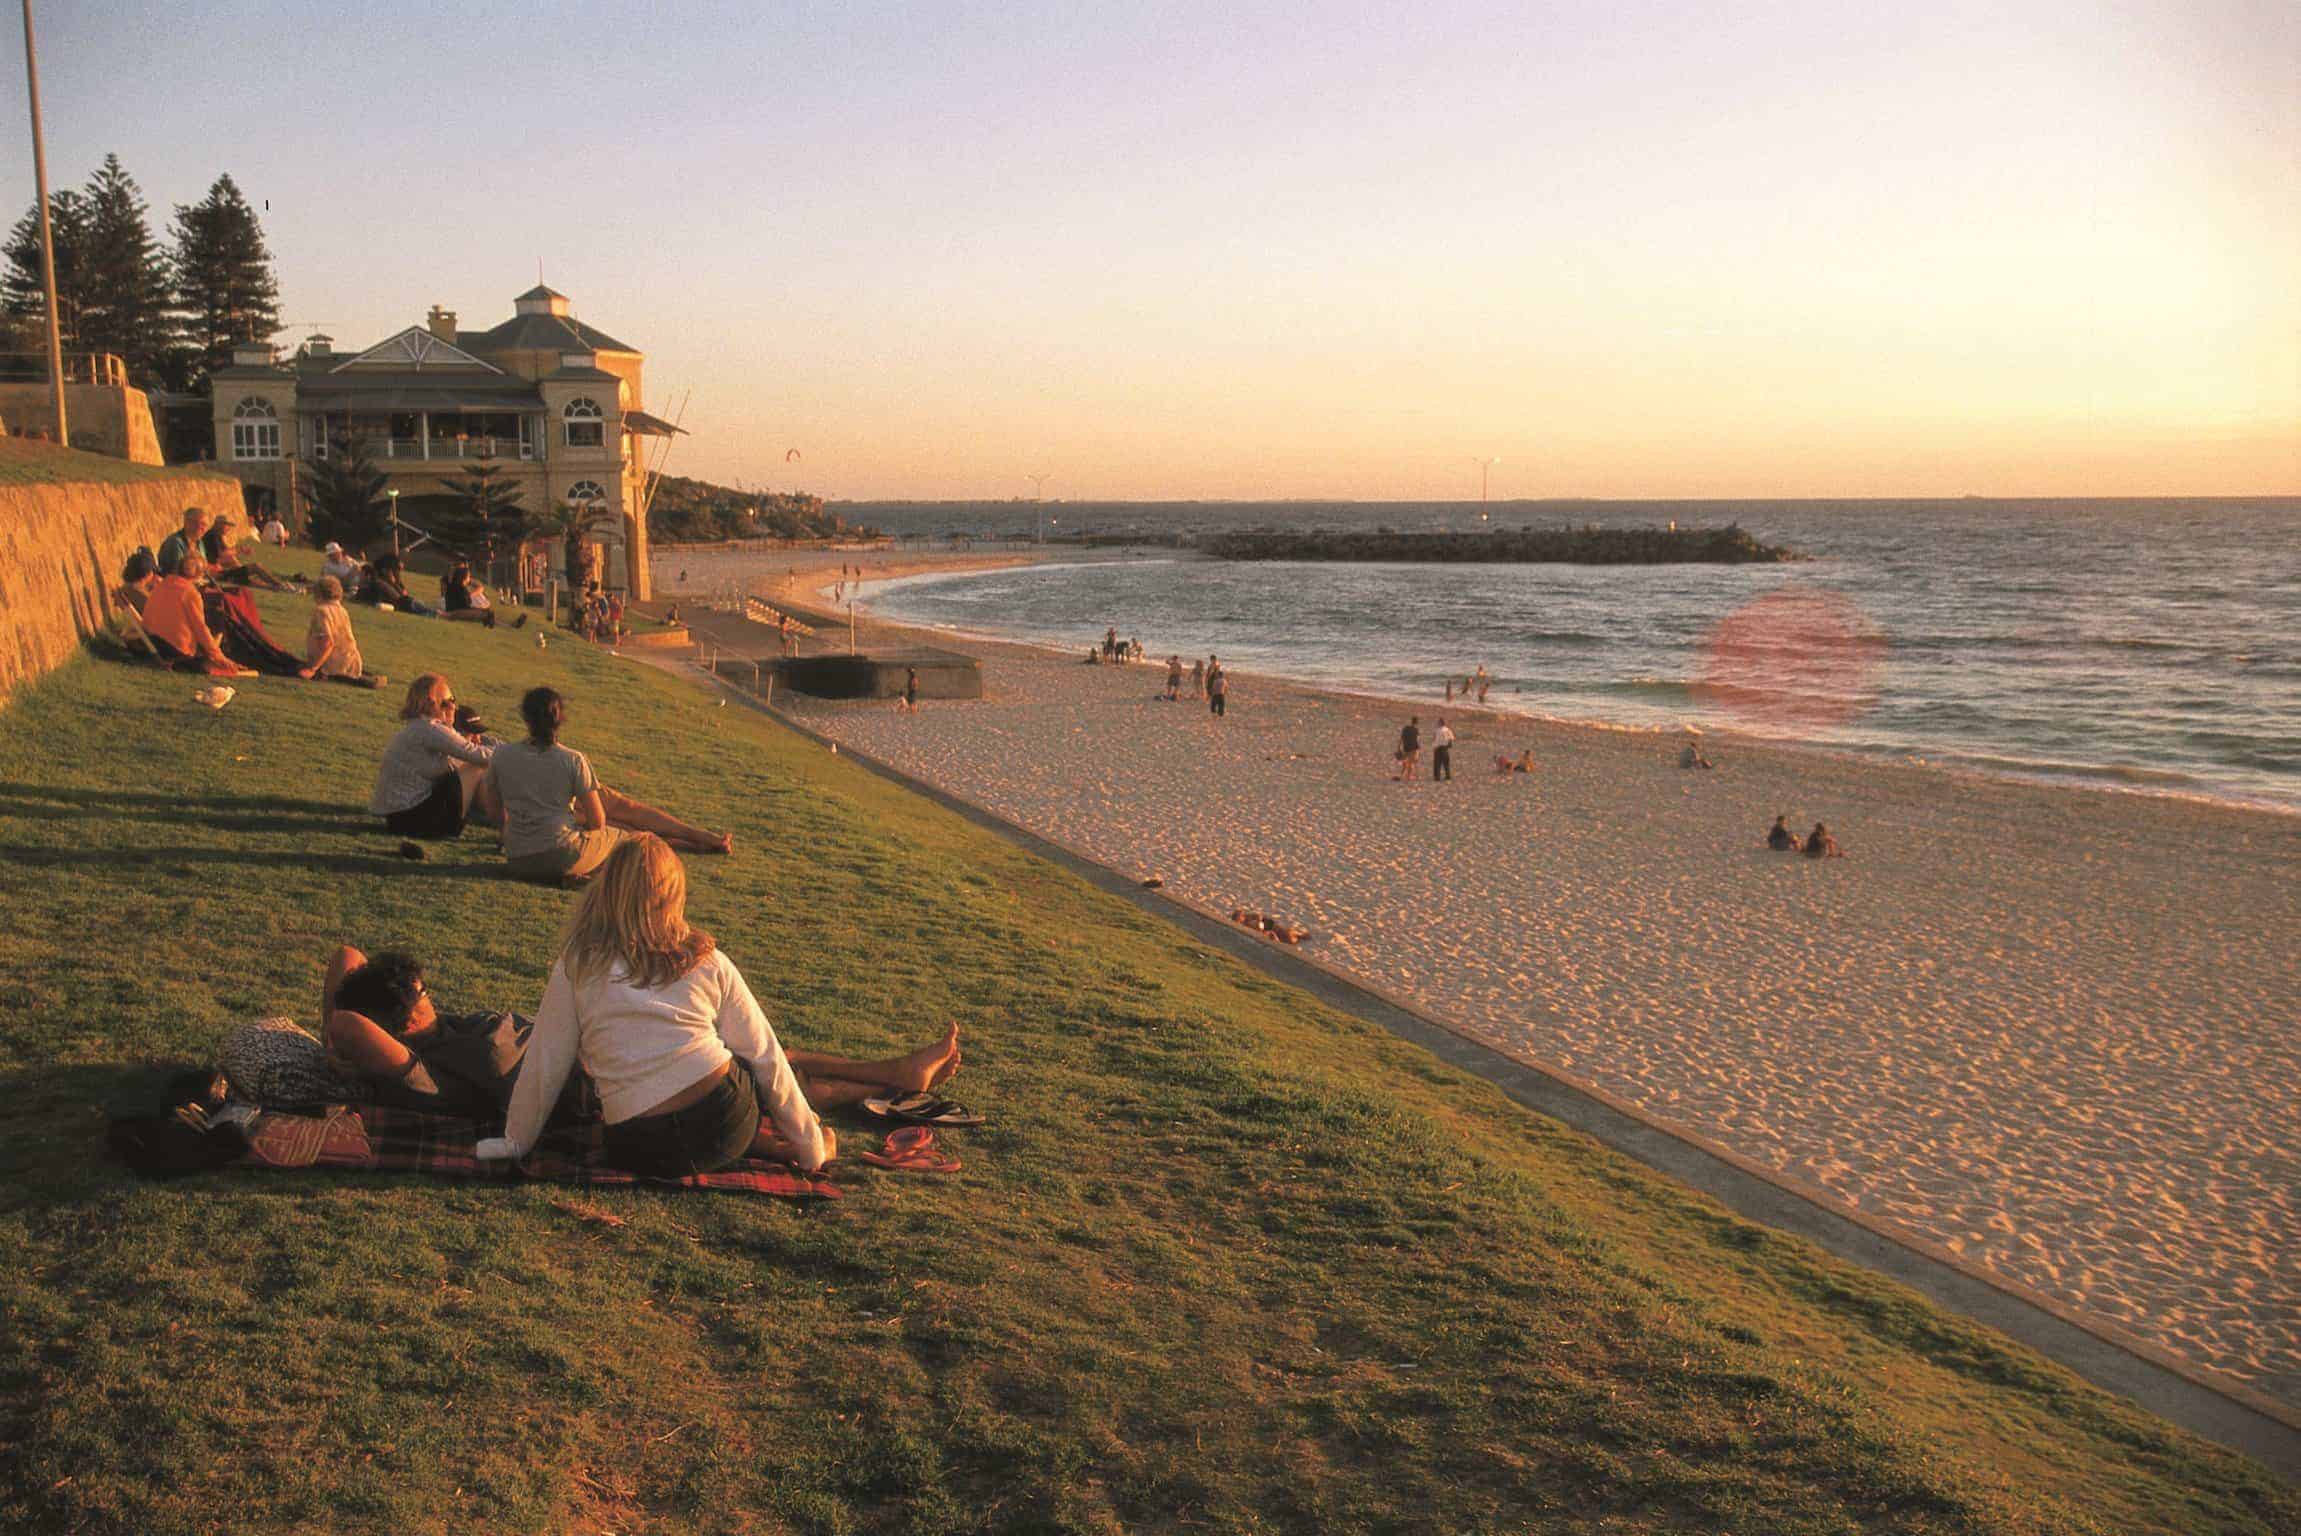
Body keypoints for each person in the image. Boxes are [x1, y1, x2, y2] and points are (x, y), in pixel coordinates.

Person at [480, 836, 966, 1174]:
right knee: (744, 1062)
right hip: (722, 1124)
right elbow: (767, 1057)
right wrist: (812, 1148)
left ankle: (879, 1085)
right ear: (673, 896)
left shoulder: (578, 962)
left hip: (638, 1147)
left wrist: (516, 1141)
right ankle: (828, 1121)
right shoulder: (705, 959)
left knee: (724, 1062)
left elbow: (545, 1062)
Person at [486, 686, 732, 883]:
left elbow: (494, 809)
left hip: (518, 859)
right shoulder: (573, 760)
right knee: (627, 839)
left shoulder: (501, 755)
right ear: (560, 719)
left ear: (526, 719)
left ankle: (695, 842)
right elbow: (598, 822)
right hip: (562, 856)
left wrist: (512, 833)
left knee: (620, 832)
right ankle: (696, 842)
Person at [318, 945, 588, 1124]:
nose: (428, 993)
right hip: (590, 1066)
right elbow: (345, 1024)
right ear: (410, 1021)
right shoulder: (428, 1072)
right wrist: (335, 1044)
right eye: (423, 992)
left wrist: (333, 1048)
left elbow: (347, 954)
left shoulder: (441, 1034)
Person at [370, 674, 498, 839]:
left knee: (472, 767)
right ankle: (506, 824)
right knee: (477, 766)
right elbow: (477, 755)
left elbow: (454, 763)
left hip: (398, 819)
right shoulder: (430, 728)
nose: (454, 706)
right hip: (414, 820)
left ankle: (498, 820)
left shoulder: (417, 727)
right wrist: (517, 754)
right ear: (432, 701)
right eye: (450, 700)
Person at [141, 553, 256, 677]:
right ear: (198, 575)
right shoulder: (189, 593)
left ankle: (213, 655)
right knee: (218, 619)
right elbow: (200, 628)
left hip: (152, 640)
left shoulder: (162, 584)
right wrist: (218, 656)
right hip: (176, 648)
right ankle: (215, 658)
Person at [304, 575, 382, 687]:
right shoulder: (342, 610)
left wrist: (313, 669)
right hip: (351, 663)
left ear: (319, 593)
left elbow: (327, 643)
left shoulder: (321, 611)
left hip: (332, 666)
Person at [360, 554, 437, 616]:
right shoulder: (380, 582)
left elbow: (401, 594)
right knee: (430, 612)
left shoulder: (380, 582)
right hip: (406, 602)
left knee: (431, 612)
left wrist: (394, 583)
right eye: (397, 569)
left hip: (406, 603)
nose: (397, 572)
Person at [155, 507, 210, 580]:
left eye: (204, 524)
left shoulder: (200, 543)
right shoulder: (174, 542)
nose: (200, 527)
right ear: (186, 522)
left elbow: (203, 569)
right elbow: (177, 572)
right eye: (196, 523)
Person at [440, 563, 498, 627]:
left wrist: (470, 595)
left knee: (478, 608)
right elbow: (445, 596)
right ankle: (486, 616)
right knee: (477, 612)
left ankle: (486, 615)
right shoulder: (450, 582)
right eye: (468, 576)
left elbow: (480, 587)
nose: (469, 578)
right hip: (455, 608)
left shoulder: (460, 585)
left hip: (456, 606)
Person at [1398, 716, 1421, 780]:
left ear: (1411, 721)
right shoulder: (1416, 730)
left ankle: (1402, 775)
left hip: (1405, 747)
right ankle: (1408, 777)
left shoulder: (1405, 728)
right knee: (1411, 763)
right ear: (1417, 723)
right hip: (1413, 748)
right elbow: (1417, 740)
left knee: (1405, 763)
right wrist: (1418, 749)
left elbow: (1401, 738)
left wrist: (1398, 747)